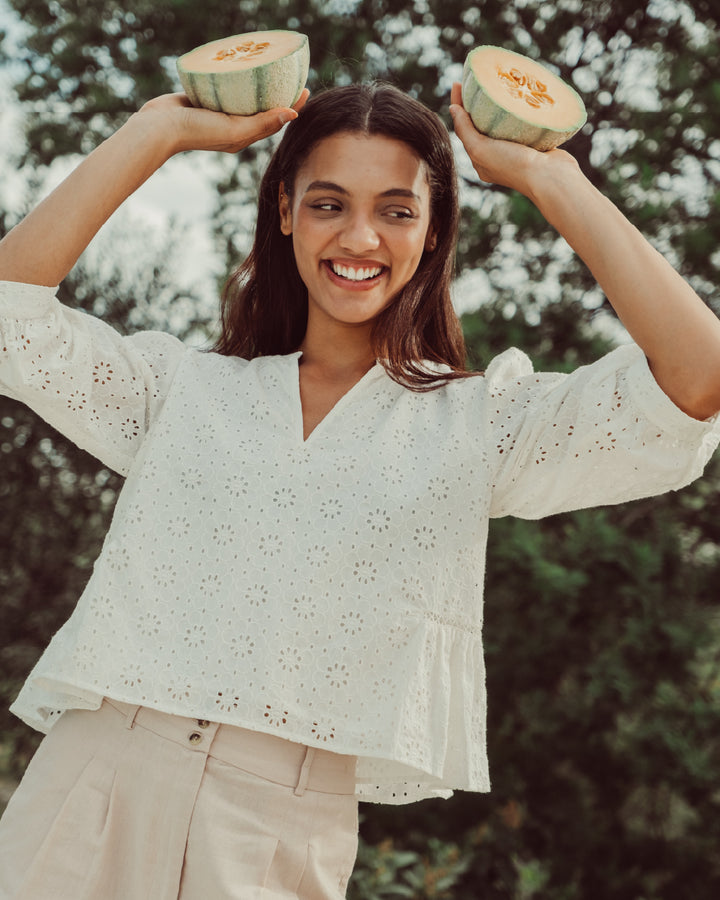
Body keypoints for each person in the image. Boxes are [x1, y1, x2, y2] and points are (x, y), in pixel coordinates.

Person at [0, 76, 719, 900]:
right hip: (93, 777)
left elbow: (698, 379)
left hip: (275, 830)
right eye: (329, 203)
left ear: (434, 227)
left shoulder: (481, 426)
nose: (360, 236)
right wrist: (156, 132)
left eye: (398, 209)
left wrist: (549, 177)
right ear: (285, 212)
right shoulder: (181, 390)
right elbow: (9, 315)